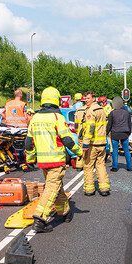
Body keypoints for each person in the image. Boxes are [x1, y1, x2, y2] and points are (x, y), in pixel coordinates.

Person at [25, 87, 82, 233]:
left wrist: (30, 158)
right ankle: (39, 219)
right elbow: (68, 140)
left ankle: (64, 212)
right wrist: (79, 152)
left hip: (43, 162)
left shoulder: (35, 118)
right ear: (56, 100)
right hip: (56, 160)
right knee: (51, 188)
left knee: (56, 186)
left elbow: (28, 142)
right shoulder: (57, 118)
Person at [81, 91, 110, 196]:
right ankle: (104, 188)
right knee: (101, 165)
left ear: (93, 98)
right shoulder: (101, 109)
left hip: (93, 144)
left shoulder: (91, 111)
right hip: (102, 143)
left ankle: (89, 189)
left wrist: (85, 143)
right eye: (85, 98)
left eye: (88, 98)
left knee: (88, 166)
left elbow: (91, 128)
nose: (86, 100)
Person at [107, 96, 132, 172]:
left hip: (115, 133)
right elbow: (130, 124)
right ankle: (129, 166)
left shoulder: (112, 113)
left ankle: (115, 167)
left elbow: (109, 125)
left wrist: (106, 133)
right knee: (126, 150)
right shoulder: (127, 113)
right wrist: (129, 133)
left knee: (115, 150)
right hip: (125, 133)